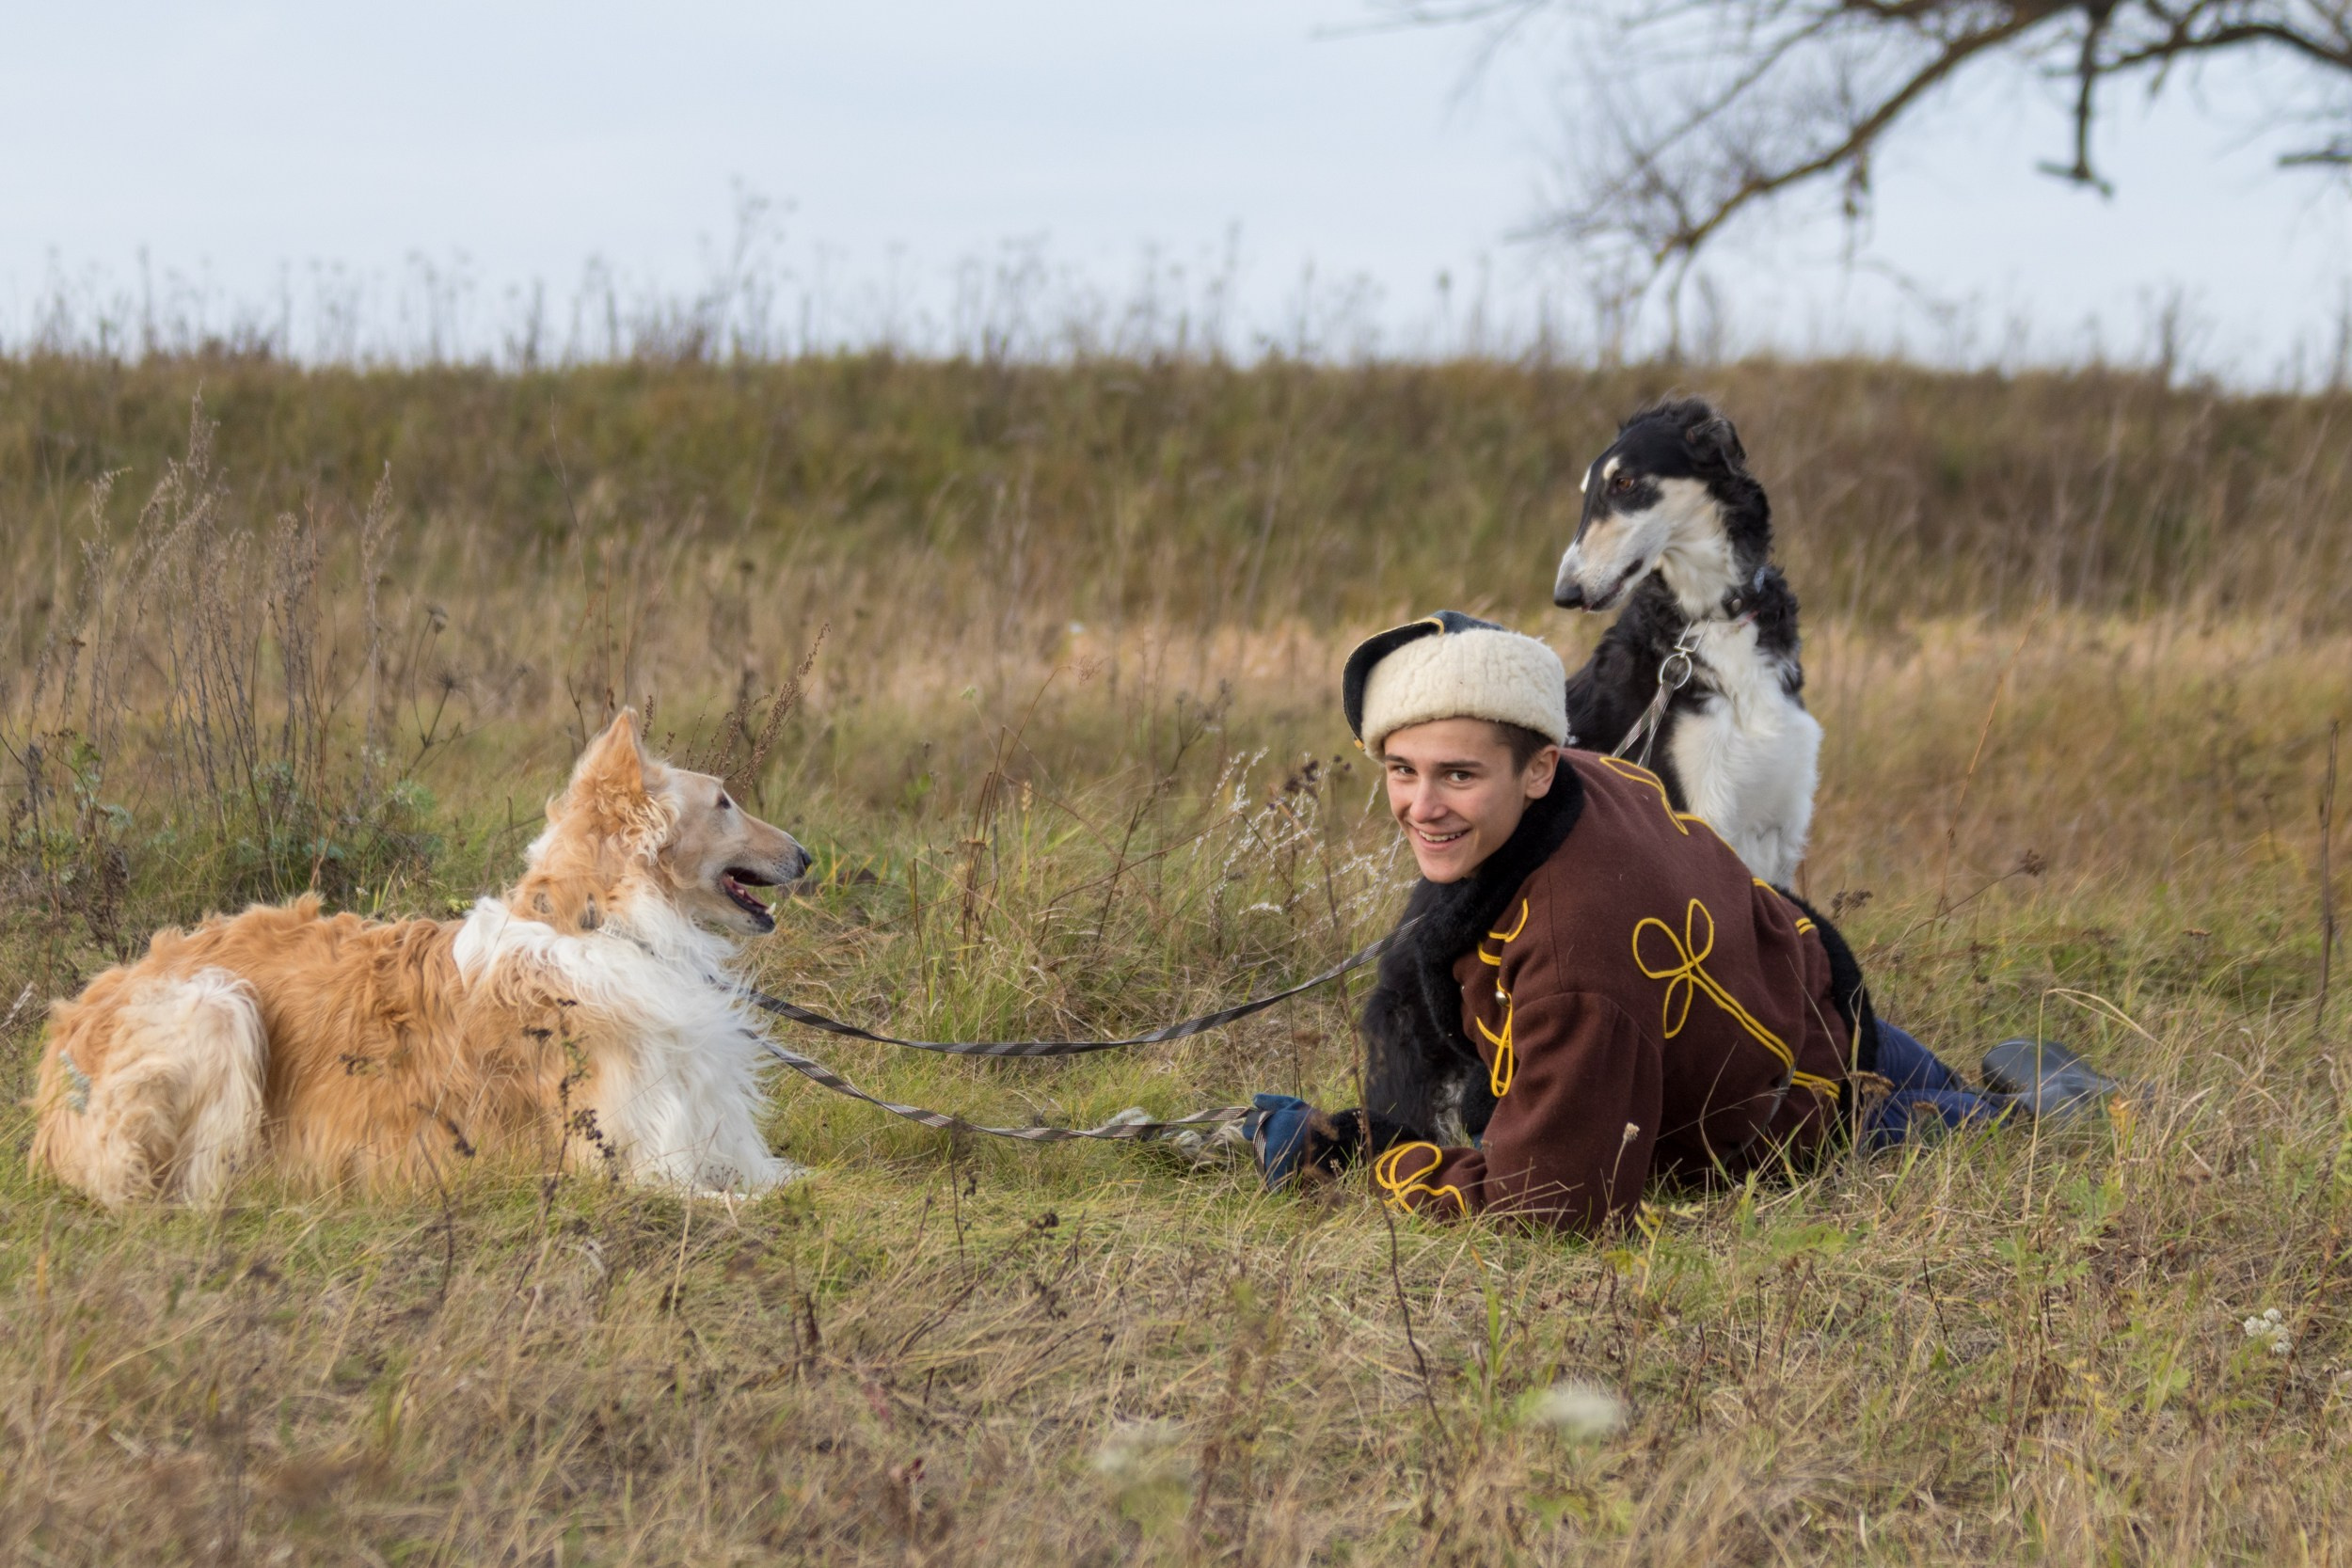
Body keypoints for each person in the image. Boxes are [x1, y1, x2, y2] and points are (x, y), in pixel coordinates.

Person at [1247, 611, 2117, 1231]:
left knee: (1953, 1130)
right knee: (1923, 1078)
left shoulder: (1573, 960)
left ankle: (2055, 1116)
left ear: (1540, 767)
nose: (1421, 805)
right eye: (1402, 769)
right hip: (1812, 988)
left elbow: (1550, 1205)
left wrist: (1360, 1153)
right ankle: (2011, 1095)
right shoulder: (1591, 776)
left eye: (1458, 775)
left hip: (1778, 1109)